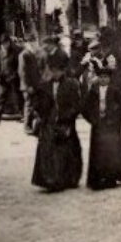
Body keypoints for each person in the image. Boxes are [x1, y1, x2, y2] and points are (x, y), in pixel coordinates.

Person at [31, 50, 83, 191]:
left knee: (67, 151)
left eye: (57, 71)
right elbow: (37, 103)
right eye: (52, 70)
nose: (54, 73)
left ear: (63, 70)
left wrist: (66, 117)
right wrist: (39, 112)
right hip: (48, 123)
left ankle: (68, 179)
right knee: (48, 151)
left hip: (65, 123)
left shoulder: (71, 84)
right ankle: (49, 179)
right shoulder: (45, 85)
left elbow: (76, 105)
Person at [83, 65, 121, 191]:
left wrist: (117, 124)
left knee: (111, 152)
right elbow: (85, 108)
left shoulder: (115, 91)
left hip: (111, 126)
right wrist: (93, 120)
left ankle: (110, 177)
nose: (103, 79)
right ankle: (97, 178)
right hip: (98, 125)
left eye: (106, 77)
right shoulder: (93, 91)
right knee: (97, 152)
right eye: (101, 77)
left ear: (109, 78)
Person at [0, 32, 23, 125]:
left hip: (14, 77)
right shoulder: (0, 52)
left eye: (6, 43)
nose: (5, 45)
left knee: (19, 97)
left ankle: (24, 114)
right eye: (3, 44)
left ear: (9, 42)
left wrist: (17, 75)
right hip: (4, 78)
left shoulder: (16, 51)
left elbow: (20, 64)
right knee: (1, 97)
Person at [18, 32, 42, 135]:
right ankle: (27, 127)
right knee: (29, 106)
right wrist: (28, 86)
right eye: (31, 42)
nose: (33, 43)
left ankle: (35, 127)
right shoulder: (24, 55)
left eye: (34, 41)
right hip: (28, 86)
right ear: (27, 43)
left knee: (34, 106)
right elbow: (22, 72)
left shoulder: (33, 54)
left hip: (35, 85)